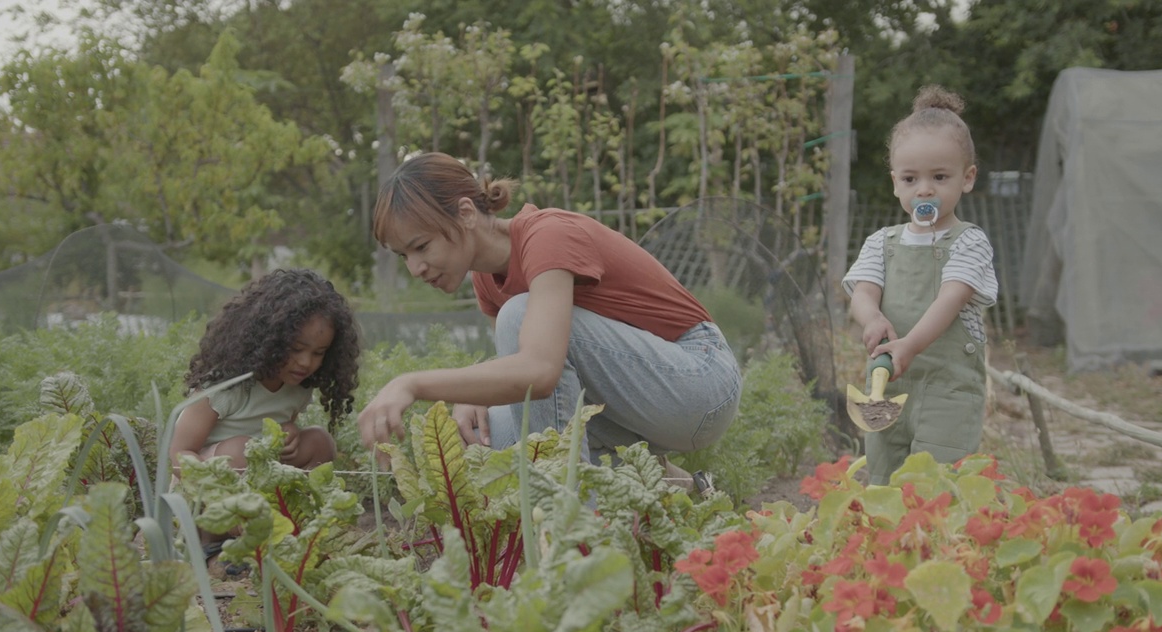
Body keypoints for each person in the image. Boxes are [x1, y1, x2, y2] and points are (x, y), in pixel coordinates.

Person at [356, 152, 742, 477]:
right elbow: (529, 377)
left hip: (700, 381)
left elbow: (539, 371)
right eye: (404, 255)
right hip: (643, 399)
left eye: (421, 246)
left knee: (516, 316)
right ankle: (670, 484)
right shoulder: (485, 281)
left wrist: (411, 384)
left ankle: (570, 525)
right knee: (485, 439)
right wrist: (476, 394)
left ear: (466, 213)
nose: (415, 268)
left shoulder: (547, 236)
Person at [842, 85, 999, 484]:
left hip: (948, 390)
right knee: (883, 473)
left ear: (967, 178)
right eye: (911, 178)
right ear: (895, 182)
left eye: (939, 177)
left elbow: (951, 298)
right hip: (887, 383)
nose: (924, 189)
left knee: (936, 482)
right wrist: (872, 319)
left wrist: (909, 346)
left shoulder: (969, 241)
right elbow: (863, 292)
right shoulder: (881, 242)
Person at [169, 268, 361, 475]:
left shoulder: (297, 386)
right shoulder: (224, 387)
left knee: (320, 441)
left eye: (319, 353)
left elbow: (281, 425)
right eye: (296, 349)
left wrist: (289, 432)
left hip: (261, 475)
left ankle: (295, 502)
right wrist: (206, 485)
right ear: (268, 340)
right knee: (243, 452)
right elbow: (179, 454)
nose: (306, 362)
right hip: (210, 484)